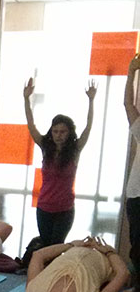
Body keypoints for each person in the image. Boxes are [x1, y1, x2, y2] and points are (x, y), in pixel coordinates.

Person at [23, 77, 97, 247]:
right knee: (45, 246)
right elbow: (31, 125)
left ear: (69, 133)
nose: (58, 135)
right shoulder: (45, 148)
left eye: (63, 132)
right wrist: (26, 99)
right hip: (44, 207)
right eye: (55, 131)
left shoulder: (75, 150)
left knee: (56, 246)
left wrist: (91, 101)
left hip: (65, 209)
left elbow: (88, 127)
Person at [123, 53, 140, 292]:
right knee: (137, 244)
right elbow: (128, 104)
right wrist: (131, 72)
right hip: (136, 194)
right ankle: (137, 283)